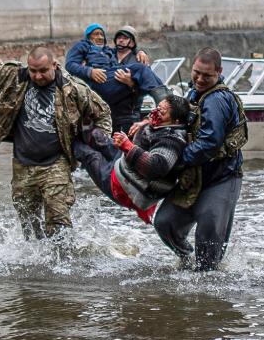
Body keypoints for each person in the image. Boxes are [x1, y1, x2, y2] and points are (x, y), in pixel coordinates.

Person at [0, 43, 111, 239]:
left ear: (55, 66)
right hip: (22, 164)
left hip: (56, 164)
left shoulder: (73, 89)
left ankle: (64, 265)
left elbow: (103, 113)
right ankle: (37, 264)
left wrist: (101, 143)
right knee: (30, 227)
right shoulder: (14, 78)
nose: (38, 76)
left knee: (59, 225)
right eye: (33, 71)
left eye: (43, 71)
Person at [153, 47, 247, 271]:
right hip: (195, 175)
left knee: (208, 232)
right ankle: (187, 259)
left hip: (223, 177)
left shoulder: (218, 100)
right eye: (196, 72)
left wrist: (172, 161)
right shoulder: (193, 93)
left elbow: (208, 144)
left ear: (219, 72)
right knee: (165, 222)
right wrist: (149, 125)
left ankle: (208, 281)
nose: (200, 79)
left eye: (207, 75)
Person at [73, 95, 190, 224]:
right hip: (125, 164)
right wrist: (145, 122)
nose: (155, 113)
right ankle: (74, 124)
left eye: (161, 112)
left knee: (89, 155)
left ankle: (65, 142)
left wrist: (127, 146)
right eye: (157, 107)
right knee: (98, 138)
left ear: (176, 121)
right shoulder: (164, 125)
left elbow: (156, 166)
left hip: (125, 186)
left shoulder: (172, 140)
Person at [66, 24, 165, 134]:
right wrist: (89, 71)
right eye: (119, 38)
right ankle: (167, 102)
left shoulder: (132, 58)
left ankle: (167, 102)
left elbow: (144, 89)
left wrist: (131, 83)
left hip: (128, 114)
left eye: (101, 34)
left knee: (144, 69)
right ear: (88, 37)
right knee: (142, 69)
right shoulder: (86, 47)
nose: (100, 37)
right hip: (102, 91)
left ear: (132, 42)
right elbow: (70, 65)